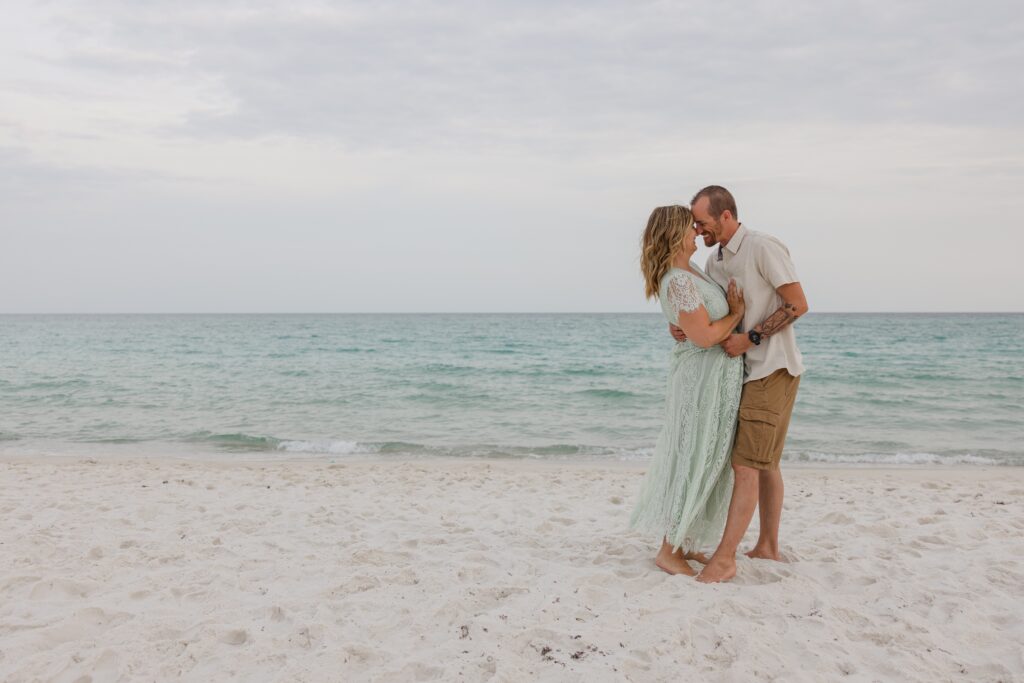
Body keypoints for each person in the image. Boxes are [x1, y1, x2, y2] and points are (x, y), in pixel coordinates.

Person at [670, 186, 808, 584]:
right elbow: (714, 311)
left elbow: (797, 303)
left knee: (746, 463)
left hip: (772, 368)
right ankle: (767, 546)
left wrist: (752, 338)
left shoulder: (762, 247)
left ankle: (726, 558)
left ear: (726, 215)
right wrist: (682, 325)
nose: (697, 229)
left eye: (702, 221)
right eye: (694, 223)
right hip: (741, 374)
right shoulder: (714, 261)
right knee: (765, 461)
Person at [628, 205, 746, 576]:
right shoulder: (677, 279)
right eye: (689, 226)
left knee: (707, 456)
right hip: (700, 381)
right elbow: (706, 335)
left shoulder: (689, 272)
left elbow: (692, 322)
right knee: (694, 456)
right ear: (674, 233)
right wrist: (736, 316)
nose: (696, 231)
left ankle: (683, 540)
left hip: (714, 378)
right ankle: (668, 550)